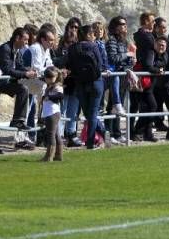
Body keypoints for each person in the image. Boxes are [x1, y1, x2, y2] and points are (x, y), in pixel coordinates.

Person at [0, 27, 36, 151]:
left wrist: (28, 70)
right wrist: (25, 74)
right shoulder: (5, 49)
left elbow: (19, 66)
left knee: (23, 89)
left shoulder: (17, 50)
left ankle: (17, 120)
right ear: (17, 38)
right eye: (25, 40)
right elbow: (7, 70)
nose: (26, 43)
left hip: (5, 83)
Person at [66, 25, 104, 149]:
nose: (94, 35)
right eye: (93, 33)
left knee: (88, 113)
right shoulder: (94, 46)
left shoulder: (73, 48)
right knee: (92, 113)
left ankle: (101, 134)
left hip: (80, 83)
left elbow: (69, 65)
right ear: (88, 35)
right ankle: (92, 141)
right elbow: (100, 64)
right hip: (95, 81)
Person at [105, 16, 134, 144]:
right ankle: (109, 132)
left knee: (119, 105)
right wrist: (126, 55)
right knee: (112, 105)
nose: (124, 26)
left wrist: (130, 61)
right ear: (115, 27)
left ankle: (117, 133)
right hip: (114, 77)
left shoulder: (124, 41)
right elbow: (113, 58)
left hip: (122, 76)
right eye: (122, 24)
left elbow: (122, 60)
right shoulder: (112, 40)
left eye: (125, 24)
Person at [130, 12, 158, 142]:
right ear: (146, 21)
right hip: (143, 75)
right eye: (152, 21)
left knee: (147, 106)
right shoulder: (146, 37)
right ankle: (137, 131)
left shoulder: (147, 36)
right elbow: (149, 59)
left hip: (146, 75)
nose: (154, 24)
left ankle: (145, 132)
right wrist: (156, 70)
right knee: (146, 106)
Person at [55, 17, 83, 148]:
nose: (73, 30)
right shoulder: (61, 45)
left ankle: (71, 134)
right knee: (62, 109)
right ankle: (59, 136)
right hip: (63, 82)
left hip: (76, 82)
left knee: (73, 111)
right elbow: (57, 61)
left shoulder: (80, 45)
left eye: (76, 27)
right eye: (71, 27)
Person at [40, 66, 64, 162]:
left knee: (51, 134)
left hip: (52, 113)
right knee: (56, 134)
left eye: (51, 77)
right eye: (47, 77)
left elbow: (60, 96)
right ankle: (58, 155)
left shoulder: (57, 86)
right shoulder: (49, 85)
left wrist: (49, 96)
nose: (48, 79)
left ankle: (49, 156)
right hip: (50, 113)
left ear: (56, 77)